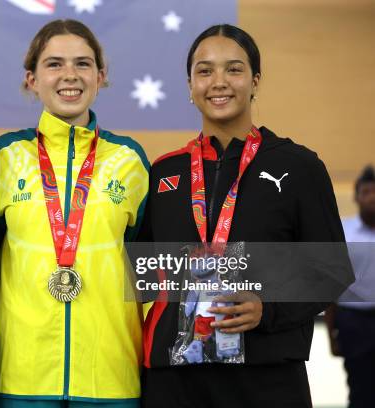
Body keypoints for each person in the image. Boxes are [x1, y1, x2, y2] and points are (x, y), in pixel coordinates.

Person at [139, 24, 354, 407]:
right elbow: (141, 273)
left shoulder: (299, 167)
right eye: (204, 71)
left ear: (255, 81)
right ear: (190, 86)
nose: (218, 82)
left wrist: (267, 309)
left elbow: (331, 271)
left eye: (233, 69)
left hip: (265, 377)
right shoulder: (163, 172)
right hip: (174, 381)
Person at [0, 19, 149, 408]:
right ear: (31, 78)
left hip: (110, 376)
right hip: (20, 376)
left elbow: (149, 270)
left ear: (101, 76)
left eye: (83, 63)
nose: (69, 75)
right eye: (54, 64)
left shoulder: (130, 160)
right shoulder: (4, 156)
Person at [325, 165, 375, 408]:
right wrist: (331, 334)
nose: (372, 197)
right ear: (356, 197)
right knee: (360, 389)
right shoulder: (343, 231)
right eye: (366, 191)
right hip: (353, 323)